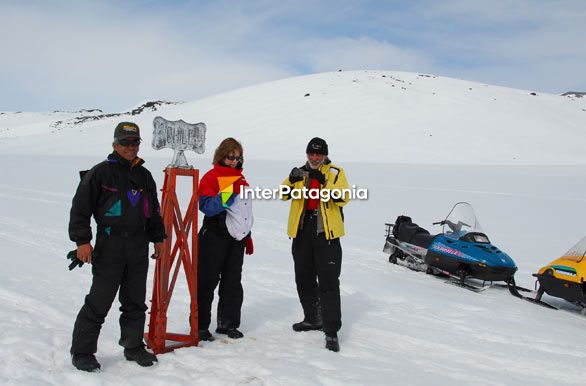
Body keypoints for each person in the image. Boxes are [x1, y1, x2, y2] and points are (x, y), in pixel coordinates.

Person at [68, 122, 166, 371]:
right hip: (109, 244)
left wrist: (159, 238)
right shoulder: (100, 173)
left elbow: (153, 211)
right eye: (125, 143)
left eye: (135, 143)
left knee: (135, 301)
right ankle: (82, 352)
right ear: (115, 145)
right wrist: (82, 241)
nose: (130, 147)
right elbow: (81, 209)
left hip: (138, 245)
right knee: (99, 302)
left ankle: (133, 347)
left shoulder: (144, 175)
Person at [281, 137, 350, 352]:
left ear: (325, 155)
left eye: (318, 154)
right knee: (304, 278)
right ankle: (312, 318)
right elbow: (283, 194)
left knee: (328, 282)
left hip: (326, 234)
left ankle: (331, 331)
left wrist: (324, 183)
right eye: (311, 153)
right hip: (302, 232)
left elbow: (343, 197)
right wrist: (291, 180)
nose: (314, 158)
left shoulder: (336, 172)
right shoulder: (300, 171)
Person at [197, 137, 254, 342]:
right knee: (207, 281)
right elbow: (207, 207)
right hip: (214, 235)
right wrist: (228, 192)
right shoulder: (211, 177)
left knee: (232, 282)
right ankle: (200, 325)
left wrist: (247, 236)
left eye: (238, 157)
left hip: (235, 239)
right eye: (230, 156)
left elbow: (243, 212)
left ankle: (228, 323)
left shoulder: (241, 179)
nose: (234, 161)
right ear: (222, 155)